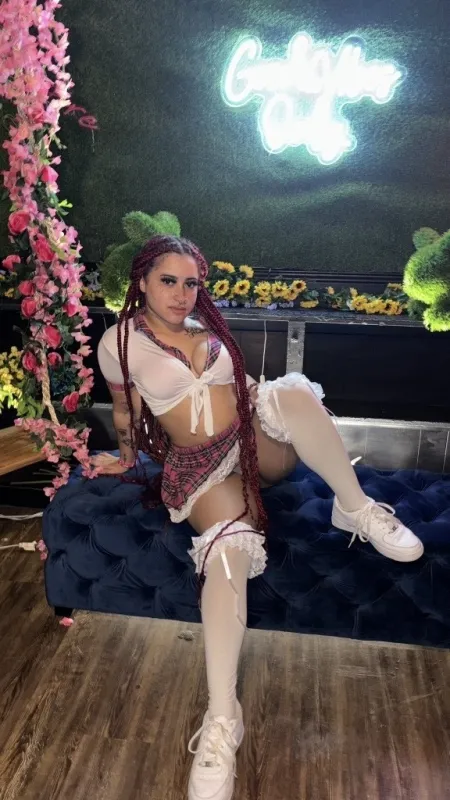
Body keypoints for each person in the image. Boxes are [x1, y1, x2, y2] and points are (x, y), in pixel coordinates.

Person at [95, 235, 424, 800]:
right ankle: (223, 718)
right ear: (142, 281)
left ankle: (356, 509)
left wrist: (275, 410)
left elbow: (245, 390)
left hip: (254, 449)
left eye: (191, 283)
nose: (181, 294)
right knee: (227, 551)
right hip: (202, 471)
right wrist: (126, 459)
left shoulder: (208, 327)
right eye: (168, 281)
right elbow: (126, 408)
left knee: (291, 395)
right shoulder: (117, 342)